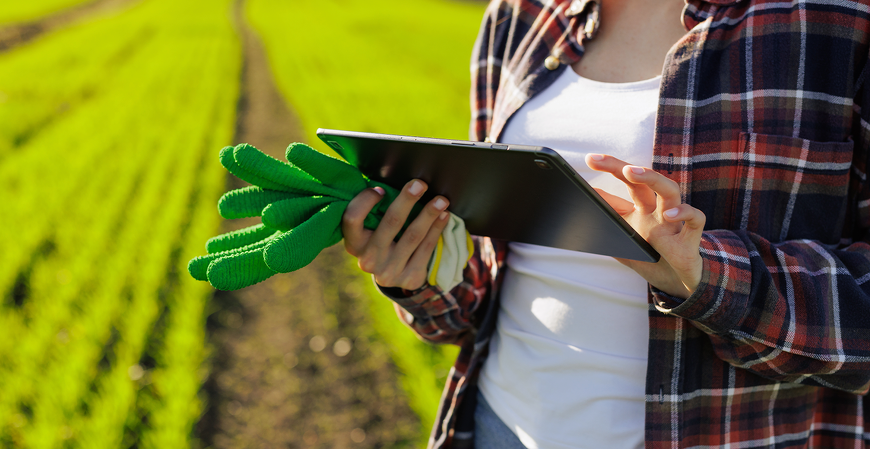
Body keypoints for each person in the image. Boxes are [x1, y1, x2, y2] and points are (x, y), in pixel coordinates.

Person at [341, 0, 870, 447]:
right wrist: (416, 273)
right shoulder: (521, 15)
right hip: (500, 425)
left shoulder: (835, 20)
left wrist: (709, 278)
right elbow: (488, 283)